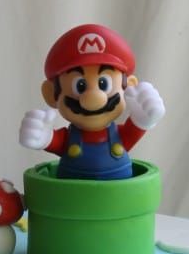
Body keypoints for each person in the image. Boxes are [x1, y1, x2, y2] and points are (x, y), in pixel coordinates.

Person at [19, 24, 165, 180]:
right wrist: (44, 137)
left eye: (103, 84)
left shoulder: (118, 135)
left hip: (120, 195)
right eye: (80, 86)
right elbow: (55, 141)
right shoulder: (68, 139)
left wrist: (143, 120)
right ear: (51, 94)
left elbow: (133, 132)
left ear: (129, 86)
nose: (93, 97)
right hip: (71, 194)